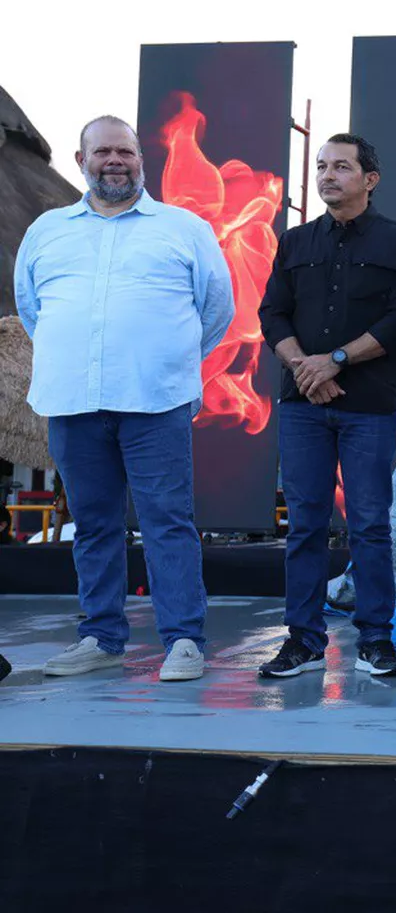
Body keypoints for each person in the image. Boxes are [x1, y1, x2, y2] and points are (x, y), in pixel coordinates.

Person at [14, 115, 233, 682]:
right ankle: (101, 638)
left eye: (125, 152)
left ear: (141, 159)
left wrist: (166, 359)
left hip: (155, 402)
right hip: (74, 402)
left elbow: (217, 310)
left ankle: (183, 641)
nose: (115, 161)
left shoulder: (183, 228)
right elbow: (34, 310)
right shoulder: (46, 231)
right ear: (80, 160)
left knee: (168, 523)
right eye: (102, 152)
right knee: (93, 525)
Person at [257, 134, 396, 678]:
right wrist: (305, 368)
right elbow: (272, 314)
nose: (327, 176)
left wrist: (334, 361)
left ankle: (376, 640)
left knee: (370, 524)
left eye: (341, 167)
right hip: (303, 404)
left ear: (370, 179)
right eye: (321, 166)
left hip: (370, 406)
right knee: (305, 525)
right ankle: (303, 641)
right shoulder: (295, 242)